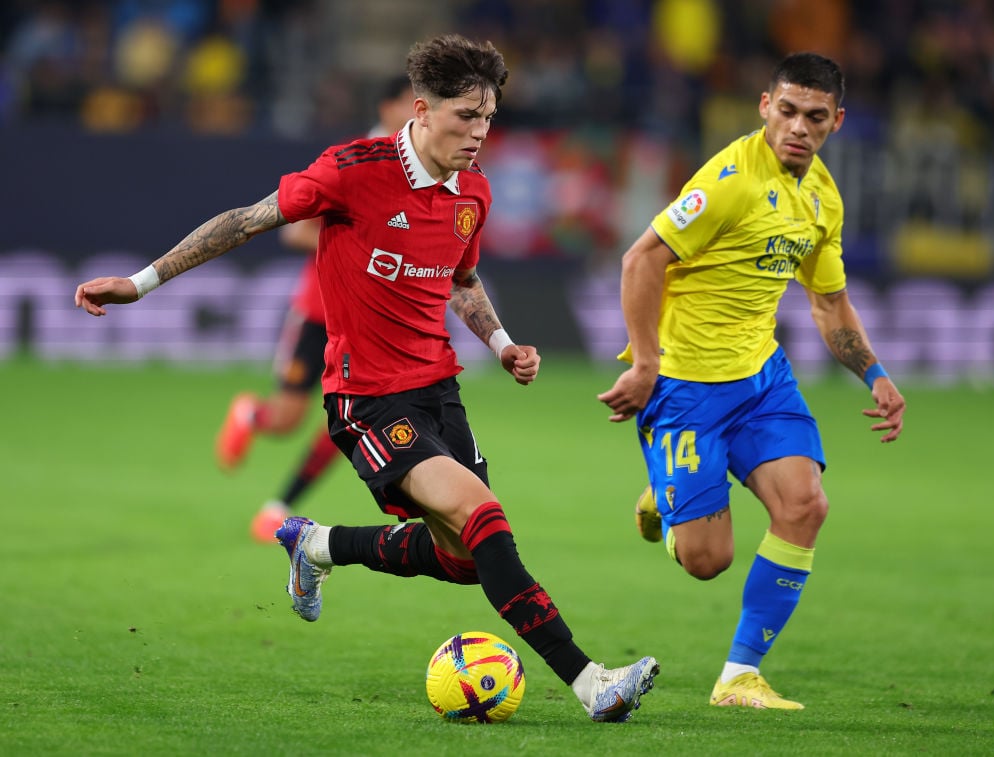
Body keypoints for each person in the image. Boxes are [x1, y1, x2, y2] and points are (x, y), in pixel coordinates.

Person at [75, 33, 659, 723]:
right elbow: (246, 221)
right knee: (485, 520)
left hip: (439, 390)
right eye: (464, 117)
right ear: (420, 109)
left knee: (465, 558)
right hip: (367, 398)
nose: (478, 134)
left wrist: (501, 342)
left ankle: (316, 543)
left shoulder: (473, 192)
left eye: (489, 119)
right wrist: (141, 283)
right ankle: (591, 681)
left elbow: (462, 280)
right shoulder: (352, 169)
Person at [598, 52, 906, 710]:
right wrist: (645, 364)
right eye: (787, 110)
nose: (797, 126)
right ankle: (663, 494)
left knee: (806, 503)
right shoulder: (733, 181)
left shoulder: (822, 196)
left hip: (761, 379)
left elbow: (828, 304)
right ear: (765, 105)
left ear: (836, 121)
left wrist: (874, 372)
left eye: (814, 117)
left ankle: (739, 674)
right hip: (684, 385)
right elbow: (640, 259)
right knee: (707, 559)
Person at [215, 74, 416, 543]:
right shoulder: (354, 161)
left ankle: (278, 506)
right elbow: (295, 231)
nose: (419, 114)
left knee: (347, 417)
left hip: (368, 323)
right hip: (319, 310)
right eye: (411, 103)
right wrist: (367, 254)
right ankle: (252, 415)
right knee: (286, 420)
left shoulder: (423, 168)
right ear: (387, 109)